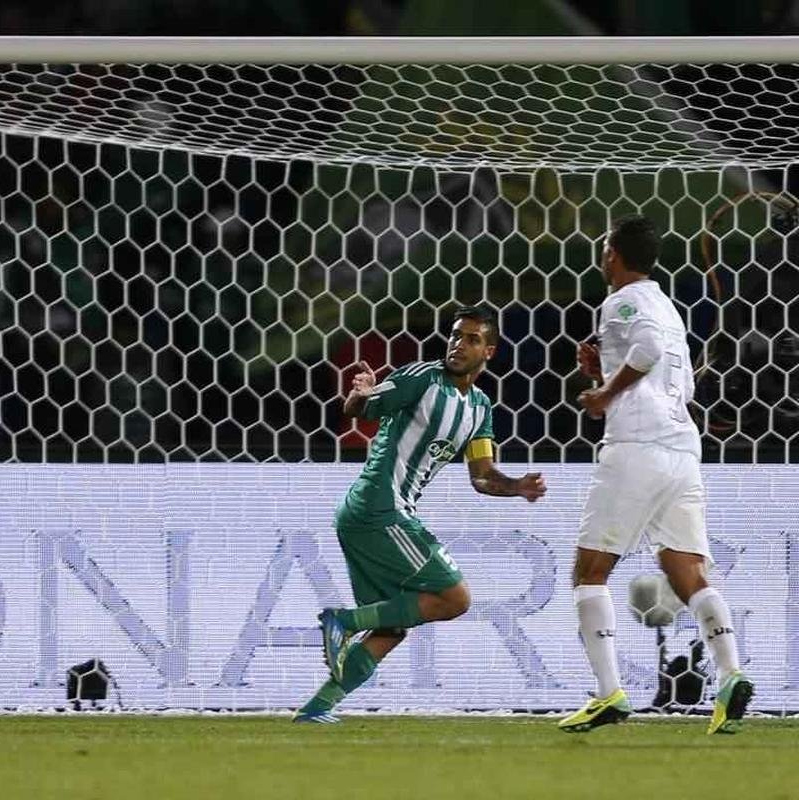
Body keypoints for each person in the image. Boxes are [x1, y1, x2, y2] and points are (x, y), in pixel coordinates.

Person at [296, 307, 547, 723]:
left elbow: (482, 477)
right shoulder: (422, 378)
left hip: (375, 515)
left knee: (393, 626)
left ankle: (317, 708)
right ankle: (342, 621)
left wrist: (516, 486)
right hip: (379, 506)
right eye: (454, 336)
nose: (457, 345)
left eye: (470, 339)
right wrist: (361, 392)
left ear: (490, 350)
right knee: (455, 598)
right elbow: (358, 408)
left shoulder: (479, 408)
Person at [559, 215, 752, 734]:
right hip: (681, 448)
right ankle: (731, 673)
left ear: (614, 256)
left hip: (637, 447)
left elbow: (644, 353)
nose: (603, 260)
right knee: (685, 569)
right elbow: (670, 377)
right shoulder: (667, 306)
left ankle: (609, 694)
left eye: (605, 251)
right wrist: (600, 372)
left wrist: (602, 394)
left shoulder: (622, 300)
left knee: (588, 571)